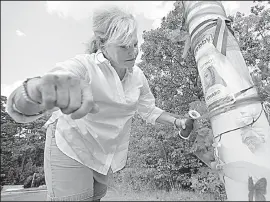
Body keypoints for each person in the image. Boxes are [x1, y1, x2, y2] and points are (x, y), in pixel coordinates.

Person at [6, 6, 195, 201]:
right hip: (71, 143)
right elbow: (56, 79)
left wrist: (176, 122)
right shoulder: (85, 66)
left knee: (95, 197)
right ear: (103, 46)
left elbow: (148, 110)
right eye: (123, 46)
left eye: (135, 44)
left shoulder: (138, 77)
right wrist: (39, 91)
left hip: (103, 154)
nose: (133, 52)